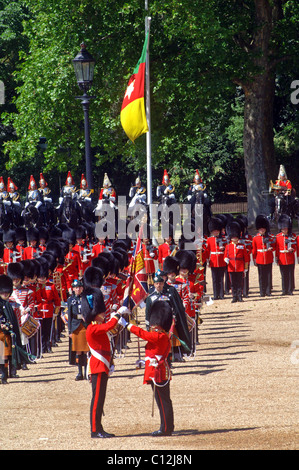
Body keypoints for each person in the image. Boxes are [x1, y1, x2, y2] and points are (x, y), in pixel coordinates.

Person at [84, 280, 127, 438]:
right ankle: (95, 430)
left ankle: (99, 428)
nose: (104, 314)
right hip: (98, 366)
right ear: (95, 314)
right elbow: (108, 326)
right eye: (102, 312)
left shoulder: (97, 327)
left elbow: (111, 331)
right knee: (97, 400)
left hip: (103, 365)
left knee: (100, 400)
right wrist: (117, 315)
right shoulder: (92, 328)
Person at [127, 300, 174, 436]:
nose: (152, 326)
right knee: (163, 400)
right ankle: (167, 426)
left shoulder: (159, 336)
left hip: (158, 372)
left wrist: (128, 326)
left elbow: (143, 334)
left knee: (162, 400)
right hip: (157, 370)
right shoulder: (161, 335)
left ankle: (165, 428)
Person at [67, 279, 88, 380]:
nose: (78, 289)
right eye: (76, 287)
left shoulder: (86, 298)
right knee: (79, 350)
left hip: (85, 325)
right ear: (73, 289)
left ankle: (87, 372)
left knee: (86, 350)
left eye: (79, 287)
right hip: (76, 325)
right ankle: (80, 373)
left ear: (82, 288)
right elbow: (70, 316)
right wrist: (70, 331)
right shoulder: (70, 300)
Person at [224, 221, 249, 303]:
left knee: (239, 283)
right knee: (232, 283)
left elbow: (246, 258)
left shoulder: (242, 246)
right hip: (231, 267)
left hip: (239, 266)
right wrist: (225, 259)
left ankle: (239, 296)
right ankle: (234, 296)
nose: (234, 239)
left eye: (236, 237)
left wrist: (245, 268)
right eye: (233, 237)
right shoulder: (228, 246)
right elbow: (225, 256)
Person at [252, 214, 276, 297]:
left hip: (268, 258)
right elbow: (254, 250)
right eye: (260, 228)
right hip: (260, 259)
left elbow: (275, 246)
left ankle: (268, 291)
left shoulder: (271, 237)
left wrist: (271, 249)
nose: (262, 230)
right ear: (258, 229)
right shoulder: (255, 238)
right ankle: (262, 291)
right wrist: (254, 259)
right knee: (261, 276)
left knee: (269, 275)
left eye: (263, 228)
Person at [205, 217, 227, 300]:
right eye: (214, 231)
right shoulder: (209, 240)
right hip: (213, 261)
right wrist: (207, 260)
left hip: (221, 260)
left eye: (217, 230)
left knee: (221, 278)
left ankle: (221, 294)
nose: (215, 232)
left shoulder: (224, 239)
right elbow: (207, 251)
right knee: (214, 279)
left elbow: (227, 250)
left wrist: (223, 249)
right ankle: (215, 294)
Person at [275, 214, 297, 295]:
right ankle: (284, 290)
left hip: (290, 257)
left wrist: (292, 250)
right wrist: (276, 258)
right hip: (282, 258)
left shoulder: (293, 236)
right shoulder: (278, 236)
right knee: (283, 275)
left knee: (290, 274)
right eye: (283, 228)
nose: (284, 229)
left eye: (286, 228)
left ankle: (290, 290)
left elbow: (295, 246)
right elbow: (277, 248)